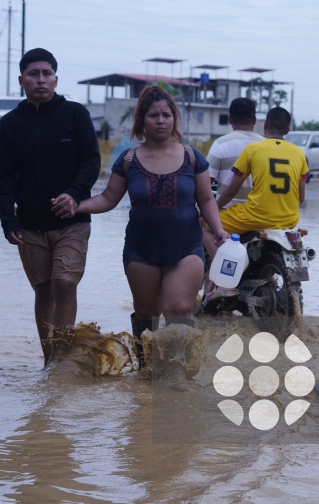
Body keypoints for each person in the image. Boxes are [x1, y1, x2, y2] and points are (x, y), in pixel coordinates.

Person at [69, 85, 228, 366]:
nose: (161, 120)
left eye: (167, 115)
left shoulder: (192, 157)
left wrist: (217, 229)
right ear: (142, 120)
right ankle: (146, 373)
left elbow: (206, 199)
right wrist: (75, 205)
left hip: (186, 245)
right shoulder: (129, 160)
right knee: (147, 312)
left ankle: (178, 373)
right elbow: (107, 198)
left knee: (179, 308)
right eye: (153, 115)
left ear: (174, 119)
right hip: (141, 248)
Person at [0, 48, 101, 366]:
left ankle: (65, 359)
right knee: (43, 291)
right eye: (33, 74)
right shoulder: (10, 123)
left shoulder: (76, 115)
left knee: (64, 284)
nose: (40, 80)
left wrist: (74, 193)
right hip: (29, 224)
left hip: (72, 220)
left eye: (46, 74)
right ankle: (50, 361)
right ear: (21, 80)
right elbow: (5, 176)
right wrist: (6, 218)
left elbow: (92, 161)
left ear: (56, 78)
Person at [202, 98, 264, 302]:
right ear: (254, 120)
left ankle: (222, 279)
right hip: (262, 214)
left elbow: (204, 184)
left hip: (231, 215)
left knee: (202, 227)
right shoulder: (265, 145)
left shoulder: (220, 145)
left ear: (229, 119)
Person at [215, 106, 309, 235]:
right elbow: (301, 197)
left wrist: (213, 210)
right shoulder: (299, 153)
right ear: (287, 130)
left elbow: (231, 191)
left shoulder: (252, 149)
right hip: (290, 220)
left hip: (255, 218)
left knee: (208, 226)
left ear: (265, 125)